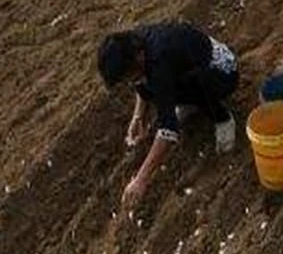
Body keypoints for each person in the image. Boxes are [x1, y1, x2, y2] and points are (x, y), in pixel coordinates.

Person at [97, 20, 239, 209]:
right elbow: (139, 82)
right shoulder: (134, 44)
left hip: (222, 71)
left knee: (185, 86)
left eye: (126, 76)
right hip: (188, 65)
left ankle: (223, 118)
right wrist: (138, 117)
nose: (128, 82)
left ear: (137, 59)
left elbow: (168, 129)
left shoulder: (158, 60)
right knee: (155, 87)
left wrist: (141, 180)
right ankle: (191, 101)